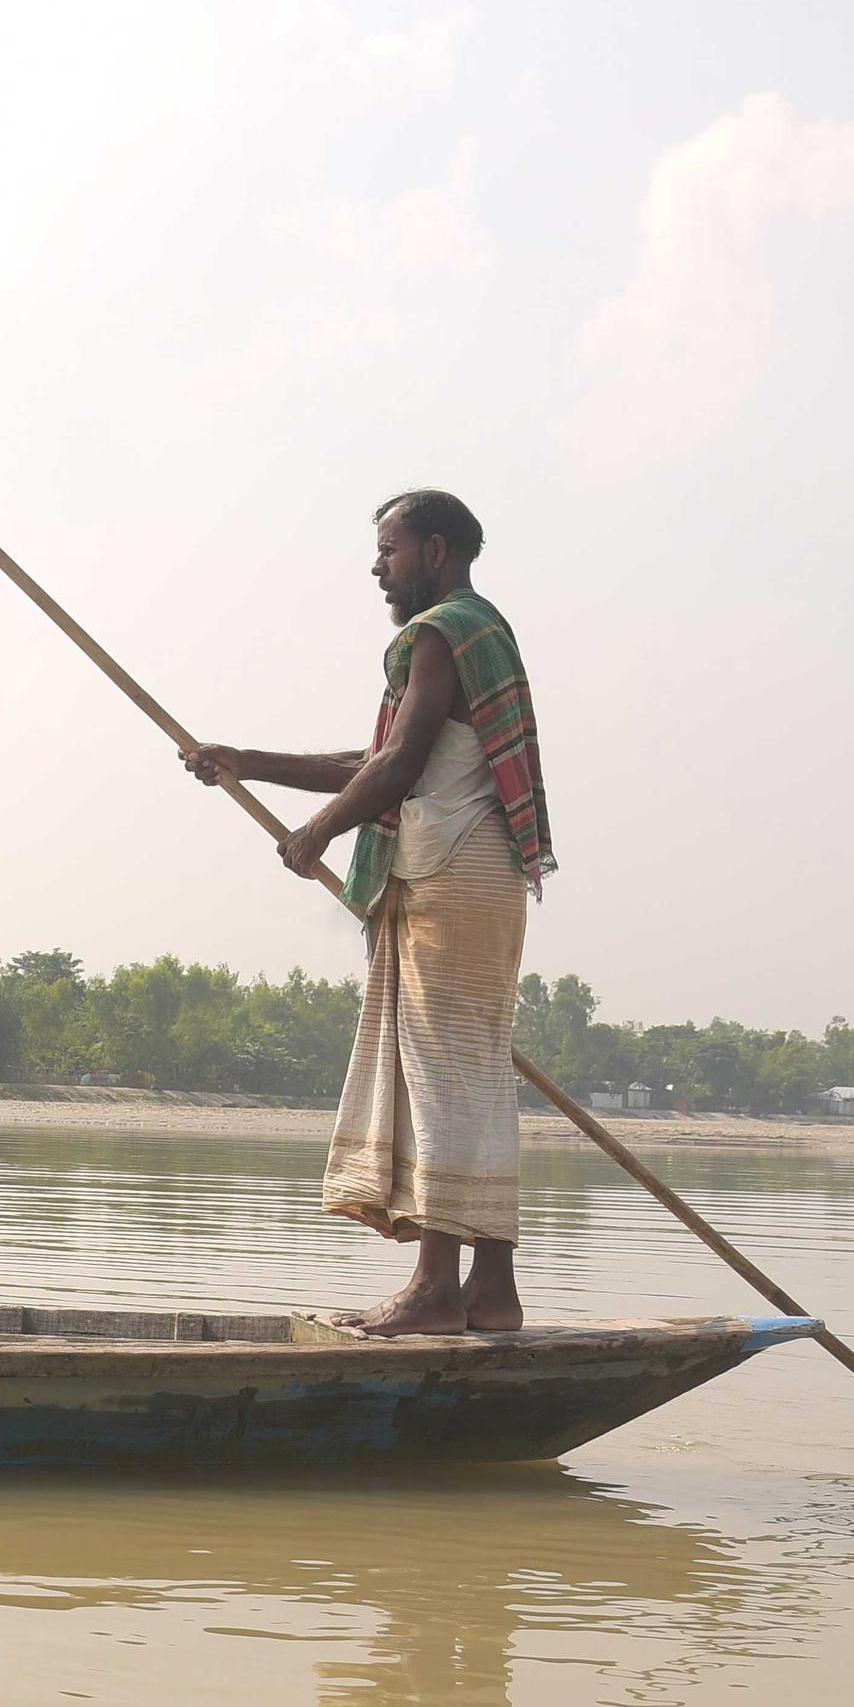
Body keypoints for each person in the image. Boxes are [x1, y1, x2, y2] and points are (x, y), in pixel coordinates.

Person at [184, 490, 555, 1334]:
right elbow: (382, 757)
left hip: (452, 876)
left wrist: (318, 831)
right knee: (473, 1072)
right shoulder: (477, 632)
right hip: (479, 875)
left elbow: (397, 764)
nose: (377, 567)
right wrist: (248, 761)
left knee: (440, 1074)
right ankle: (489, 1291)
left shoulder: (443, 631)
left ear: (433, 550)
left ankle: (433, 1290)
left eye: (387, 551)